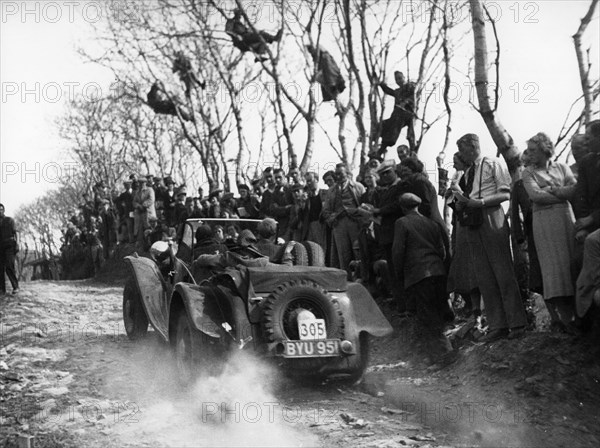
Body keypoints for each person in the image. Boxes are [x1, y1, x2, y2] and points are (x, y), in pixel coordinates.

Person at [453, 133, 527, 341]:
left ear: (473, 147)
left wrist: (481, 202)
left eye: (462, 149)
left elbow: (505, 193)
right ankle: (497, 325)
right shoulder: (466, 173)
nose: (461, 154)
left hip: (491, 215)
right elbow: (466, 199)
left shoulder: (492, 163)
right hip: (471, 220)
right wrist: (460, 202)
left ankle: (517, 323)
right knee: (484, 275)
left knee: (502, 270)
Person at [522, 132, 577, 329]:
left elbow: (575, 189)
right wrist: (561, 193)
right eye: (528, 151)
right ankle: (563, 319)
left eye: (534, 150)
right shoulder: (527, 172)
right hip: (544, 222)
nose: (530, 154)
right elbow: (536, 197)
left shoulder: (561, 167)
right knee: (553, 268)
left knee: (570, 262)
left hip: (564, 218)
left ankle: (576, 316)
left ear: (545, 150)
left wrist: (558, 192)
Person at [393, 193, 454, 363]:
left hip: (418, 275)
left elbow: (398, 252)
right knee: (438, 312)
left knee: (427, 318)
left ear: (402, 207)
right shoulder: (432, 223)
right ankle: (445, 353)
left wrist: (399, 274)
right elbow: (441, 251)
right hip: (437, 272)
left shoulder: (402, 223)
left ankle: (442, 357)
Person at [322, 163, 365, 278]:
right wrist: (331, 218)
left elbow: (365, 205)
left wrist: (358, 214)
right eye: (336, 174)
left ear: (347, 173)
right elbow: (325, 211)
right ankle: (346, 281)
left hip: (355, 223)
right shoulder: (331, 191)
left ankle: (361, 279)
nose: (338, 177)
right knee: (343, 255)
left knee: (359, 252)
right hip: (339, 225)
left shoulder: (358, 187)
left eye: (340, 174)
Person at [376, 71, 416, 158]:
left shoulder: (409, 86)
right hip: (396, 115)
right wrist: (381, 84)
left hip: (406, 113)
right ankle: (380, 149)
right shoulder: (397, 91)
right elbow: (388, 90)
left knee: (395, 126)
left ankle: (387, 144)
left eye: (400, 78)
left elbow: (412, 95)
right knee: (382, 125)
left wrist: (405, 102)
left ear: (404, 78)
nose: (399, 81)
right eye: (397, 79)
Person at [0, 204, 19, 295]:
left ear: (4, 210)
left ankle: (15, 287)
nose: (0, 211)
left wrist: (17, 243)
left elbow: (16, 233)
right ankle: (1, 289)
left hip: (10, 245)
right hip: (0, 247)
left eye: (1, 209)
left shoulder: (9, 220)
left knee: (9, 266)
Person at [132, 176, 157, 248]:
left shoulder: (150, 190)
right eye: (140, 183)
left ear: (145, 183)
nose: (141, 184)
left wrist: (143, 205)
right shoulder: (138, 192)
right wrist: (138, 206)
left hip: (149, 213)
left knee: (151, 228)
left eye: (143, 183)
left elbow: (151, 199)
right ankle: (144, 245)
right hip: (141, 214)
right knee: (142, 229)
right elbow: (134, 202)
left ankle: (153, 244)